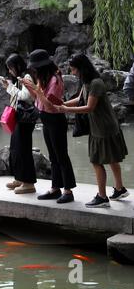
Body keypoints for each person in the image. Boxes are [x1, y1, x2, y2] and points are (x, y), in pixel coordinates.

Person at [55, 54, 129, 208]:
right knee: (112, 159)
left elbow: (89, 107)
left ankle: (102, 197)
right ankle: (120, 188)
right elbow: (80, 100)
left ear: (82, 68)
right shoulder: (88, 83)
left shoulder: (95, 83)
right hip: (105, 126)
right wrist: (62, 105)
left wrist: (65, 109)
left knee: (96, 161)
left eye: (74, 70)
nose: (73, 73)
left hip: (102, 128)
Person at [22, 49, 77, 204]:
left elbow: (51, 105)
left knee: (61, 156)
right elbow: (37, 101)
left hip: (55, 119)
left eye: (35, 68)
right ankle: (55, 188)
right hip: (45, 118)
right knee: (53, 157)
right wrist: (30, 88)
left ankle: (68, 190)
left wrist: (36, 90)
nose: (34, 71)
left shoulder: (55, 79)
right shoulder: (44, 78)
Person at [1, 54, 37, 194]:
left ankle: (28, 183)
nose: (10, 71)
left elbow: (25, 96)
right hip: (19, 118)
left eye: (11, 68)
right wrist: (9, 86)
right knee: (15, 148)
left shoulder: (26, 76)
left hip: (25, 119)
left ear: (17, 66)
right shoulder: (20, 77)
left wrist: (9, 87)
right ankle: (19, 178)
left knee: (23, 150)